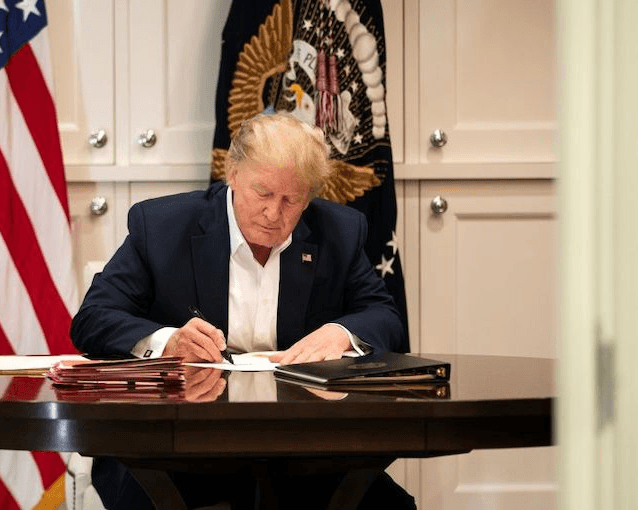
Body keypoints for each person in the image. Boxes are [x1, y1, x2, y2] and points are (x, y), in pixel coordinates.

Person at [71, 113, 414, 509]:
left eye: (291, 199)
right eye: (263, 193)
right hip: (174, 445)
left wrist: (341, 331)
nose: (274, 213)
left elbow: (385, 318)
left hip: (302, 446)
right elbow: (93, 319)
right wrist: (168, 342)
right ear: (232, 174)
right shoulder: (163, 226)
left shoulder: (339, 230)